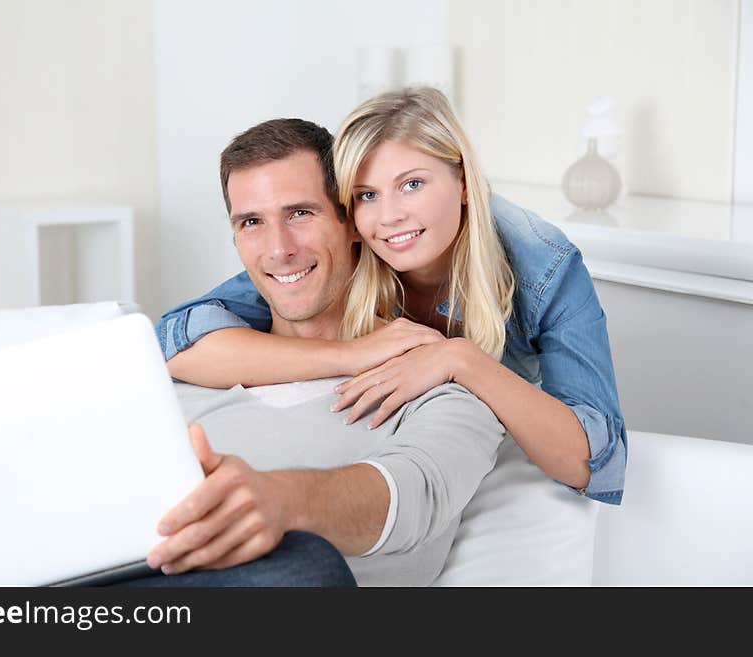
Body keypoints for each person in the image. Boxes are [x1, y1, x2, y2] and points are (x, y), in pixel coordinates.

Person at [157, 87, 626, 505]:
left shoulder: (541, 266)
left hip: (498, 437)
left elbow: (593, 462)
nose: (389, 217)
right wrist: (351, 353)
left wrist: (458, 358)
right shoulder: (341, 246)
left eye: (412, 185)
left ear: (464, 183)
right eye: (366, 195)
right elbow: (176, 341)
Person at [129, 118, 505, 587]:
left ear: (351, 222)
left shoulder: (436, 375)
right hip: (124, 572)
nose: (279, 249)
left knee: (304, 562)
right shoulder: (192, 366)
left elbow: (417, 495)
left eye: (300, 214)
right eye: (252, 223)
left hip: (280, 584)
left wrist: (282, 503)